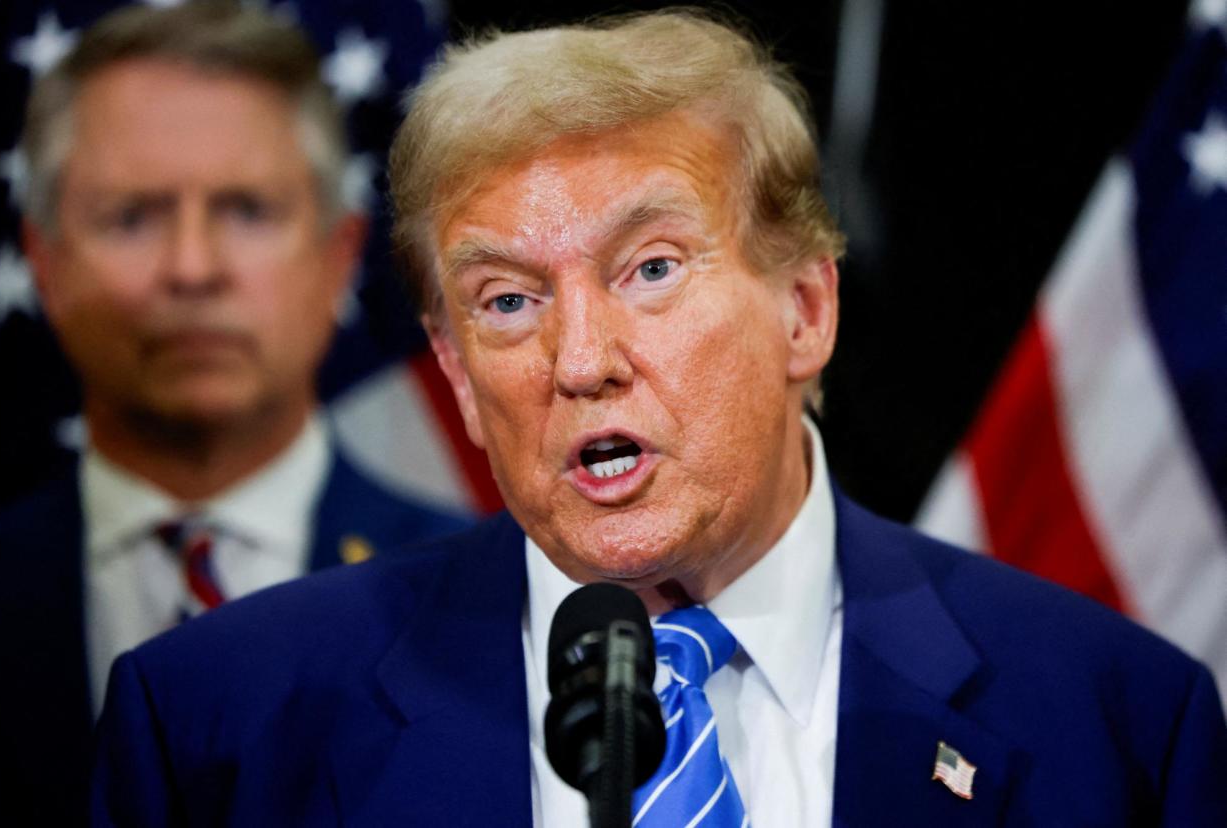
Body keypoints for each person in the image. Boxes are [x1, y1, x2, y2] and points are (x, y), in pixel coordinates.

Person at [91, 9, 1227, 826]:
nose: (580, 361)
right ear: (452, 370)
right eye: (507, 301)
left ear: (805, 309)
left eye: (649, 270)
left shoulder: (1116, 723)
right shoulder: (217, 728)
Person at [0, 3, 469, 824]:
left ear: (339, 256)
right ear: (45, 263)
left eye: (247, 211)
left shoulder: (478, 599)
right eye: (131, 215)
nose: (193, 268)